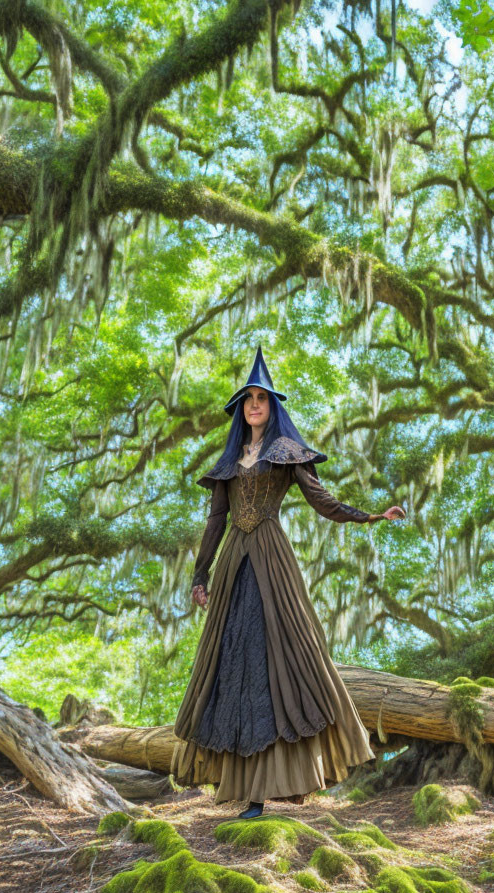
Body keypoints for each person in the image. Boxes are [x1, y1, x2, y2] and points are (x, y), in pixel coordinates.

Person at [170, 345, 406, 819]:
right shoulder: (229, 461)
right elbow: (217, 520)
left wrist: (370, 516)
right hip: (235, 561)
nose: (255, 404)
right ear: (240, 409)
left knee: (276, 660)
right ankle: (245, 789)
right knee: (233, 661)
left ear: (273, 406)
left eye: (262, 398)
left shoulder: (285, 453)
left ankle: (268, 789)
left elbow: (322, 500)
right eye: (248, 399)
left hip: (272, 563)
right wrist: (199, 574)